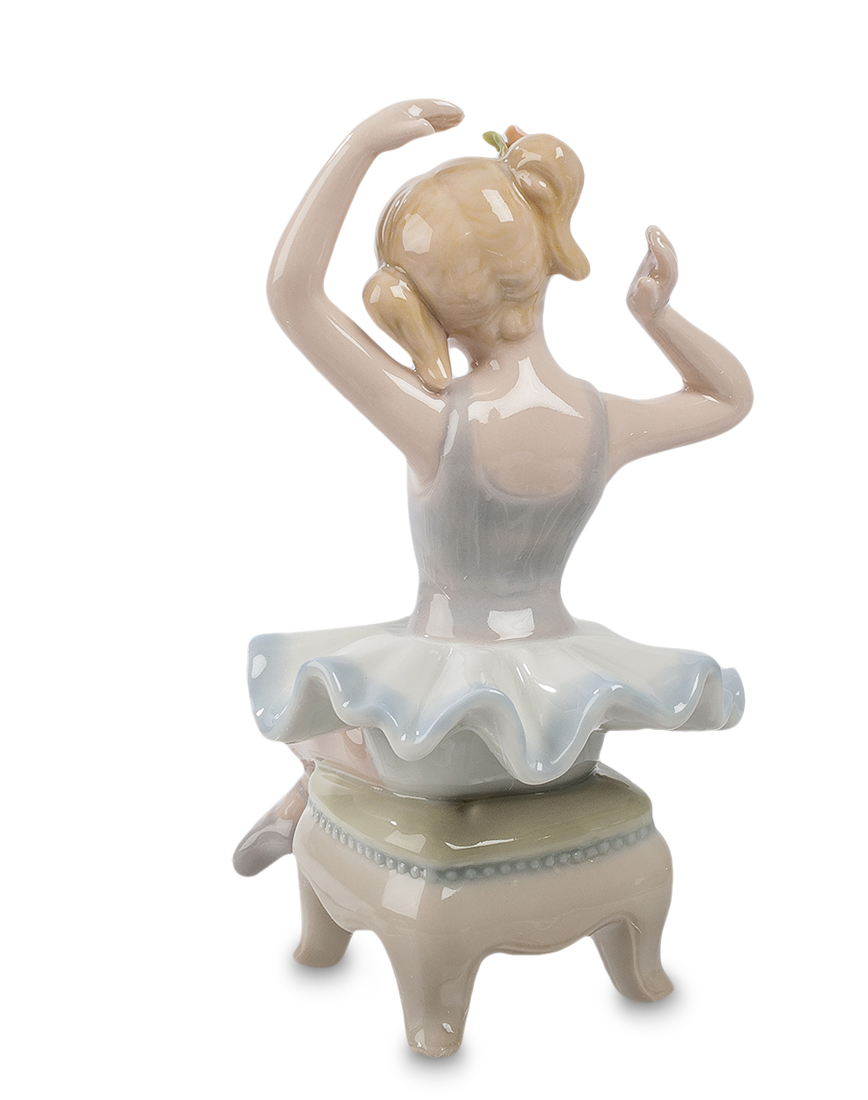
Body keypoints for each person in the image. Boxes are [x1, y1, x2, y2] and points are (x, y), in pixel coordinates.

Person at [234, 100, 752, 876]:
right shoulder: (602, 422)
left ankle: (307, 796)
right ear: (543, 255)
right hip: (560, 718)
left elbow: (292, 293)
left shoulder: (436, 423)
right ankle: (313, 805)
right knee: (336, 692)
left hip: (432, 740)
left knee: (305, 716)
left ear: (421, 303)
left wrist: (359, 147)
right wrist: (656, 316)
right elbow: (727, 397)